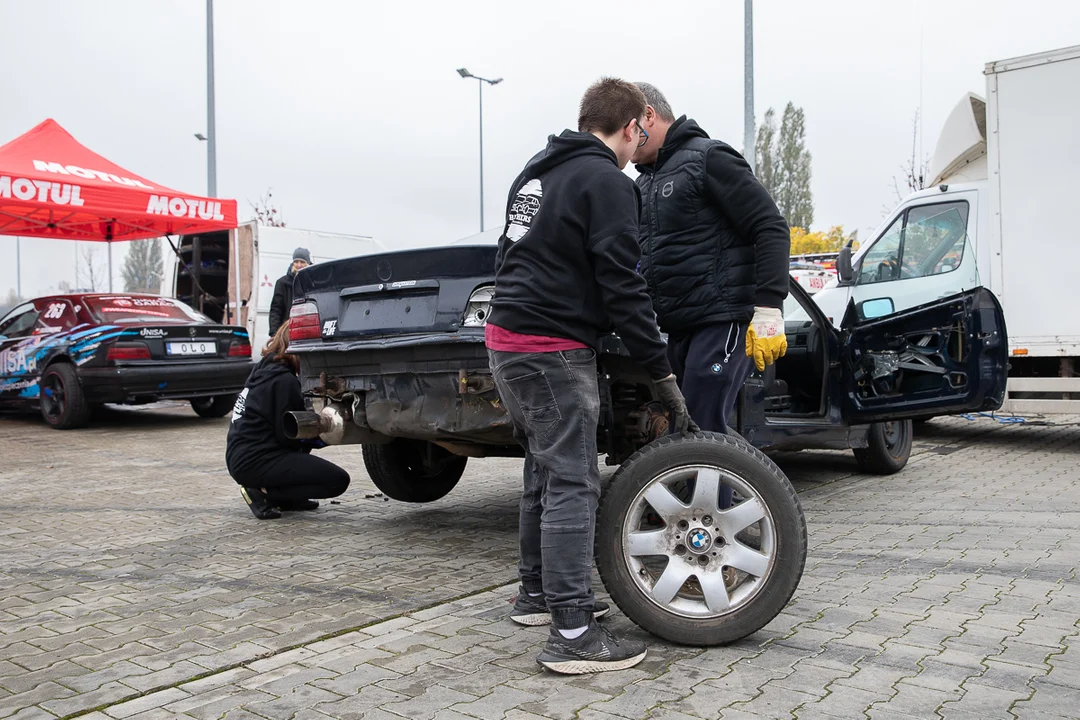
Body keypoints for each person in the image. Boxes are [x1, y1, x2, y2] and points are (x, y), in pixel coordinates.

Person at [486, 77, 697, 674]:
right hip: (549, 348)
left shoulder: (535, 172)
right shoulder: (607, 181)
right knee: (575, 481)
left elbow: (513, 256)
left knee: (544, 470)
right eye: (639, 134)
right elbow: (623, 285)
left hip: (507, 339)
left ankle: (538, 594)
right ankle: (572, 634)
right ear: (632, 126)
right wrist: (661, 372)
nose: (639, 147)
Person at [631, 82, 790, 442]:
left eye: (628, 129)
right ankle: (703, 494)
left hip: (721, 320)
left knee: (700, 425)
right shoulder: (643, 185)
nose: (624, 141)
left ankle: (710, 497)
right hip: (678, 326)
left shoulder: (709, 158)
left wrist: (769, 307)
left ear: (648, 117)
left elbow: (770, 226)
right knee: (685, 428)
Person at [225, 321, 350, 519]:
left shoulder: (264, 369)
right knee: (337, 481)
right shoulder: (285, 381)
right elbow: (291, 435)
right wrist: (328, 434)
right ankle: (263, 493)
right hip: (257, 460)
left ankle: (288, 498)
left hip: (239, 457)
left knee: (304, 459)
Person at [268, 248, 311, 338]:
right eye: (296, 261)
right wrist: (274, 333)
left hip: (308, 329)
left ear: (308, 263)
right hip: (288, 330)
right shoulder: (282, 283)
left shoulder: (313, 282)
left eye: (302, 262)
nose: (299, 265)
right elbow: (276, 309)